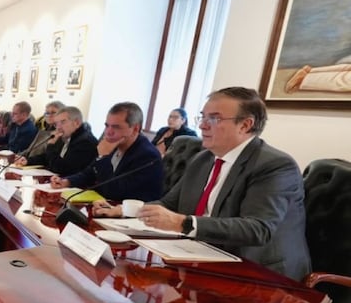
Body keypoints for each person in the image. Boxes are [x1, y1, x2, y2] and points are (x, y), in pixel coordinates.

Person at [136, 87, 310, 280]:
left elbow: (257, 229)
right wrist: (128, 210)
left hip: (259, 275)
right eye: (202, 117)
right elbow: (169, 204)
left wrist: (182, 223)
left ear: (245, 125)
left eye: (214, 119)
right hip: (200, 258)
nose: (202, 126)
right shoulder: (203, 159)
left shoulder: (274, 165)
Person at [52, 101, 163, 203]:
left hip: (132, 217)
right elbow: (90, 173)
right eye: (107, 126)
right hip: (107, 208)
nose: (108, 132)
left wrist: (102, 157)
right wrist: (67, 181)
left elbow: (113, 191)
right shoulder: (115, 144)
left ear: (135, 129)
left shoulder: (147, 155)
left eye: (116, 127)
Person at [20, 106, 98, 176]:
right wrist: (28, 160)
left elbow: (62, 168)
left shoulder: (85, 142)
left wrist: (50, 146)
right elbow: (47, 157)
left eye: (63, 122)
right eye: (56, 124)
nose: (58, 127)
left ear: (76, 123)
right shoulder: (68, 136)